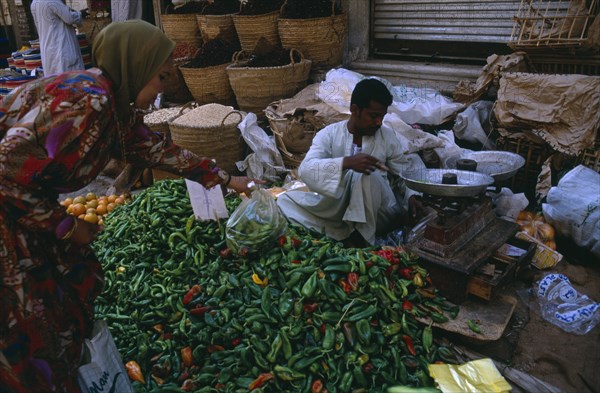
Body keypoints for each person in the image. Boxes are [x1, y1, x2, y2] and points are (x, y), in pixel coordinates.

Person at [0, 20, 256, 391]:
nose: (160, 91)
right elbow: (5, 172)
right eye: (159, 78)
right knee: (26, 317)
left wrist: (227, 179)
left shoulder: (112, 104)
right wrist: (68, 226)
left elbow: (156, 149)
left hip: (23, 208)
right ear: (134, 66)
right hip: (9, 213)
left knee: (71, 287)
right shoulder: (87, 100)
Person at [277, 78, 426, 247]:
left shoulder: (387, 137)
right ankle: (344, 234)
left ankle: (362, 240)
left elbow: (405, 173)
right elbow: (306, 170)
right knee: (285, 201)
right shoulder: (329, 134)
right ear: (355, 109)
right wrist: (346, 163)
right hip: (339, 210)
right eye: (373, 116)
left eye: (382, 116)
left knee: (364, 175)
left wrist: (413, 196)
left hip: (379, 214)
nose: (378, 122)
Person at [31, 0, 88, 75]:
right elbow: (69, 18)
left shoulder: (34, 3)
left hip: (48, 49)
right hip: (61, 47)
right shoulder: (52, 1)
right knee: (69, 79)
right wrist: (80, 14)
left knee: (55, 79)